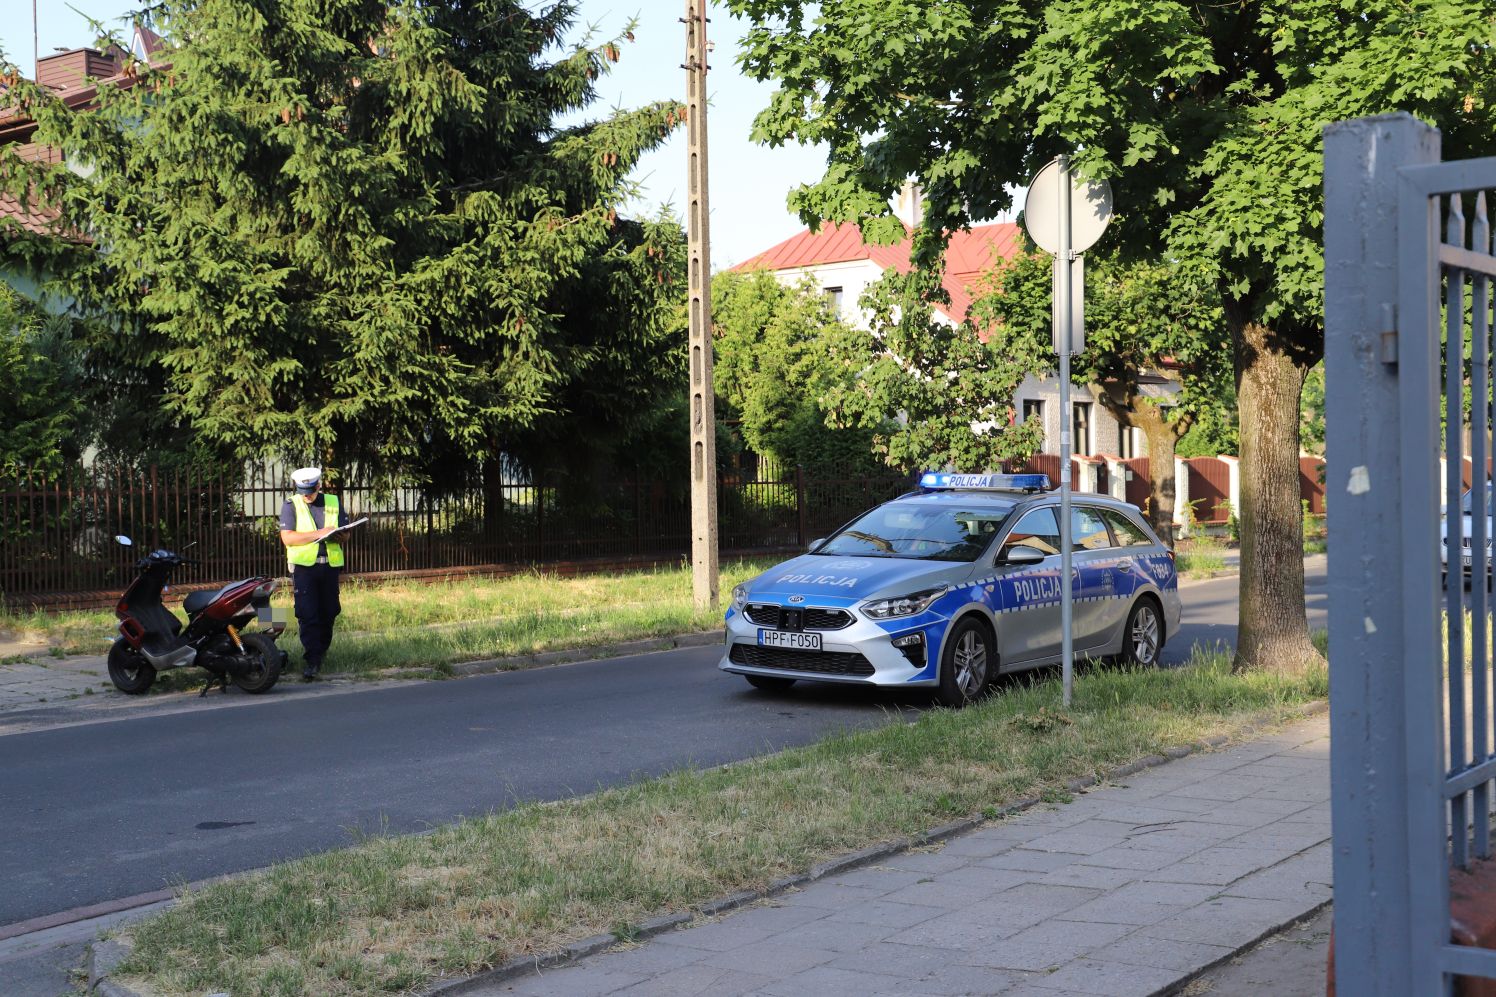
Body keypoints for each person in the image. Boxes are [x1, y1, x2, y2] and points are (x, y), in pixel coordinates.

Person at [279, 466, 349, 681]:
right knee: (307, 613)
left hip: (329, 566)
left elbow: (345, 534)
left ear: (318, 485)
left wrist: (340, 536)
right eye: (302, 491)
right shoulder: (291, 505)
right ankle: (312, 659)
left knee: (329, 611)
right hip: (304, 569)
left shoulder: (333, 502)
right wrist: (319, 534)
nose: (306, 496)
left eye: (310, 491)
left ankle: (321, 651)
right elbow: (288, 538)